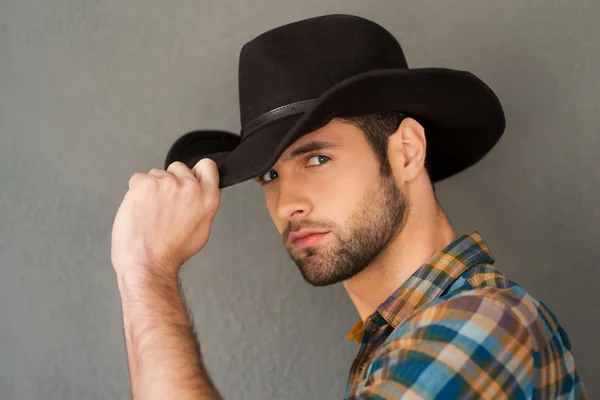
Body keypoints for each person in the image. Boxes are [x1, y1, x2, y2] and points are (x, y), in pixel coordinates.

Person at [111, 14, 587, 399]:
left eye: (317, 158)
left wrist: (146, 272)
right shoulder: (400, 342)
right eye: (269, 175)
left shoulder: (480, 328)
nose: (288, 203)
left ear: (406, 152)